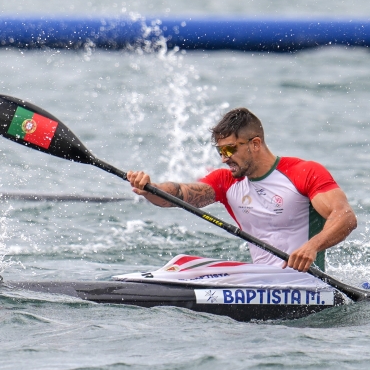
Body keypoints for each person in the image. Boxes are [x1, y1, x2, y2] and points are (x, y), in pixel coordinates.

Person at [127, 108, 356, 273]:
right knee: (183, 265)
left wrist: (311, 247)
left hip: (307, 282)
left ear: (255, 144)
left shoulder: (303, 172)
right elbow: (179, 194)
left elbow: (345, 217)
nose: (225, 158)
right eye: (220, 151)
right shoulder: (226, 182)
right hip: (260, 281)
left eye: (229, 149)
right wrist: (150, 188)